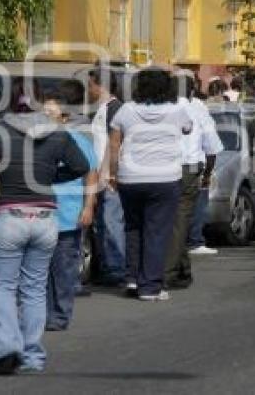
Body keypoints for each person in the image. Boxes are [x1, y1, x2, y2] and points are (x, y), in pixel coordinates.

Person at [0, 88, 92, 375]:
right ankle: (32, 356)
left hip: (8, 213)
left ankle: (7, 349)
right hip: (45, 217)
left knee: (4, 287)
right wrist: (52, 175)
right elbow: (81, 166)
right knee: (34, 288)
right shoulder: (57, 133)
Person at [108, 67, 192, 301]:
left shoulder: (125, 110)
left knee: (133, 228)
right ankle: (150, 286)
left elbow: (114, 145)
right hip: (165, 178)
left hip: (130, 177)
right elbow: (188, 128)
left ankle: (133, 279)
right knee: (157, 232)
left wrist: (112, 174)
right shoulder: (177, 110)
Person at [43, 81, 99, 332]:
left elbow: (91, 174)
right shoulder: (36, 141)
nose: (45, 114)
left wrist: (88, 207)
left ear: (64, 115)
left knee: (63, 269)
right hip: (39, 214)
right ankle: (42, 314)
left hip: (68, 216)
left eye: (50, 110)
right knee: (40, 270)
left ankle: (60, 315)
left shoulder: (77, 140)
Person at [165, 75, 223, 288]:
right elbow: (212, 147)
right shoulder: (197, 109)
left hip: (161, 168)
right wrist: (207, 173)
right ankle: (171, 271)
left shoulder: (162, 107)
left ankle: (182, 269)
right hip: (188, 168)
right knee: (180, 220)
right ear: (191, 92)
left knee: (168, 219)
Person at [87, 67, 126, 286]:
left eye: (90, 85)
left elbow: (116, 144)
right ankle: (107, 267)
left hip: (110, 178)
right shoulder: (100, 110)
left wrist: (112, 173)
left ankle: (118, 268)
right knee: (102, 223)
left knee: (112, 222)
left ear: (100, 85)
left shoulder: (114, 109)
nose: (88, 90)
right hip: (100, 177)